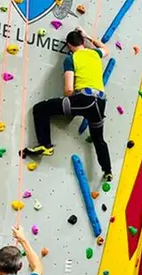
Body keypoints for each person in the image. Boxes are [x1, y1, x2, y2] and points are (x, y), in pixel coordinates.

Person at [21, 27, 113, 182]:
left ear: (69, 46)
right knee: (98, 139)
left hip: (84, 100)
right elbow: (105, 49)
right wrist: (88, 35)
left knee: (40, 109)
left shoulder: (71, 59)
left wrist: (71, 97)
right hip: (100, 103)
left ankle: (45, 145)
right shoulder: (95, 54)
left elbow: (69, 89)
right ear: (83, 42)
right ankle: (108, 170)